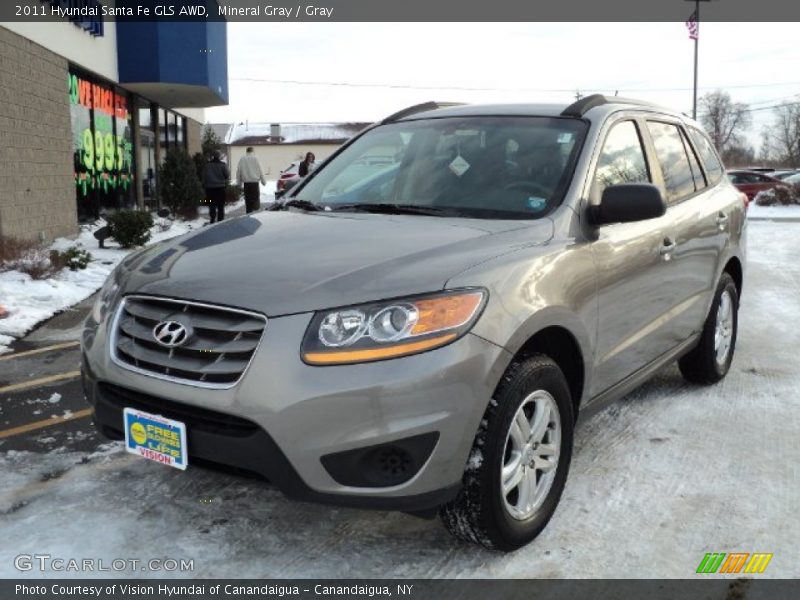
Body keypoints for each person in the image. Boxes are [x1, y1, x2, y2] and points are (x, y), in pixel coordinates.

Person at [236, 147, 267, 213]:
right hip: (255, 184)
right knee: (255, 201)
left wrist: (239, 183)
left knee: (248, 202)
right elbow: (261, 170)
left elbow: (238, 172)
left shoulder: (242, 159)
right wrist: (263, 181)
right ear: (253, 151)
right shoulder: (256, 158)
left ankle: (248, 214)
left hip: (246, 184)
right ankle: (254, 214)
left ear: (246, 151)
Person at [202, 151, 229, 224]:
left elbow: (204, 177)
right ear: (219, 156)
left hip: (209, 188)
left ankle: (212, 218)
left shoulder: (207, 165)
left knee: (211, 204)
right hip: (220, 187)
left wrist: (204, 185)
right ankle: (220, 219)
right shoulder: (223, 165)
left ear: (213, 156)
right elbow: (226, 175)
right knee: (221, 204)